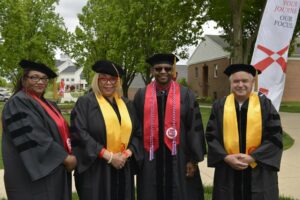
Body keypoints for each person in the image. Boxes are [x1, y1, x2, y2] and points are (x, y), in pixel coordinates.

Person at [134, 53, 206, 200]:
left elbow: (194, 127)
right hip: (150, 158)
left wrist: (193, 159)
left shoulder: (186, 95)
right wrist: (138, 158)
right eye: (158, 68)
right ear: (152, 71)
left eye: (167, 68)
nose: (163, 72)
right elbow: (136, 128)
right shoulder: (141, 95)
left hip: (179, 158)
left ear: (172, 70)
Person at [1, 60, 77, 200]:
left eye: (43, 78)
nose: (40, 81)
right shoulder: (18, 103)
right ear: (24, 80)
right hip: (32, 176)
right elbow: (32, 137)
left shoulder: (47, 103)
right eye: (34, 77)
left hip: (54, 170)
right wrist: (65, 158)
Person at [205, 64, 283, 200]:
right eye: (236, 81)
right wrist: (226, 157)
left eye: (245, 81)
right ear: (231, 83)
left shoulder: (265, 105)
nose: (240, 85)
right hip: (228, 168)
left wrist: (253, 157)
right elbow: (212, 136)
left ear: (253, 82)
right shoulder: (220, 106)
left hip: (258, 170)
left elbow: (275, 137)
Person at [70, 60, 142, 200]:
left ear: (118, 81)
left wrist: (126, 154)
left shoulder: (126, 104)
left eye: (113, 79)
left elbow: (138, 134)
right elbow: (80, 133)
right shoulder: (86, 103)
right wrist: (109, 157)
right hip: (96, 169)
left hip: (122, 166)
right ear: (97, 80)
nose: (108, 83)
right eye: (104, 78)